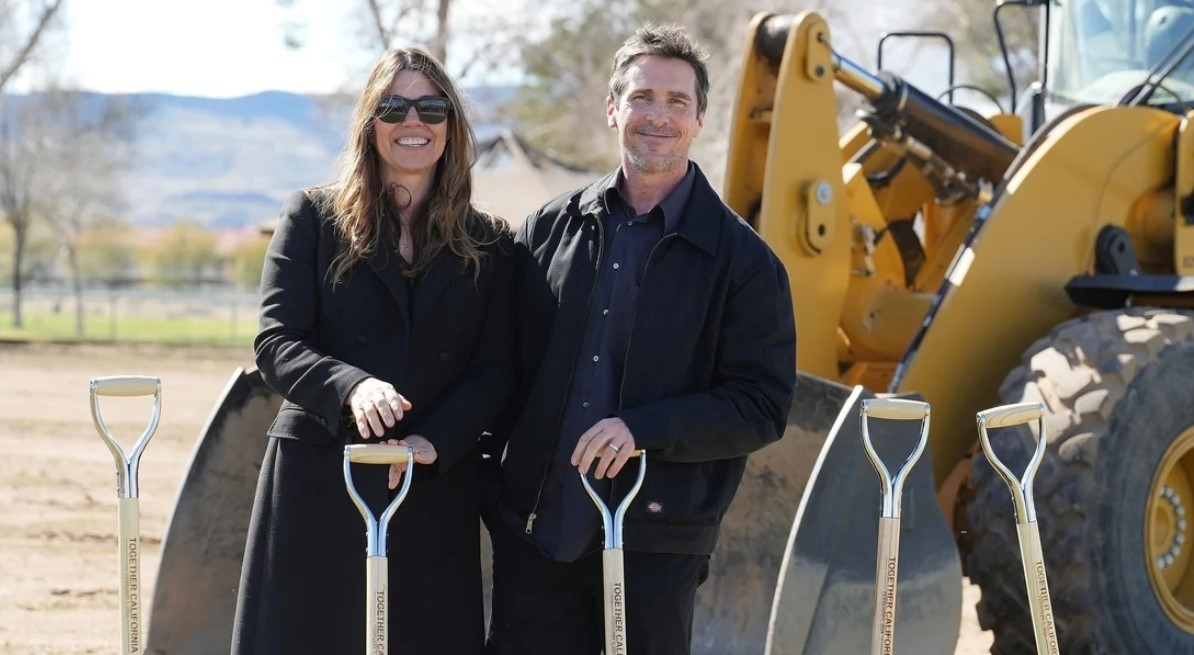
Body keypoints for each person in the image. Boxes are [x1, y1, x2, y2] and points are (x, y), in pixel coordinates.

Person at [480, 23, 797, 655]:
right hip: (540, 535)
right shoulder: (548, 230)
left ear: (700, 119)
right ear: (612, 109)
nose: (658, 116)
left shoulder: (745, 262)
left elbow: (762, 406)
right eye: (642, 97)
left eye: (677, 101)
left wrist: (642, 429)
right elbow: (499, 369)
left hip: (657, 544)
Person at [231, 47, 513, 655]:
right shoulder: (313, 217)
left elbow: (496, 371)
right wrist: (352, 386)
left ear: (451, 125)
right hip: (320, 476)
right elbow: (276, 341)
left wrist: (434, 440)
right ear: (369, 121)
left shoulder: (489, 241)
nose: (413, 122)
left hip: (431, 483)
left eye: (431, 108)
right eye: (393, 107)